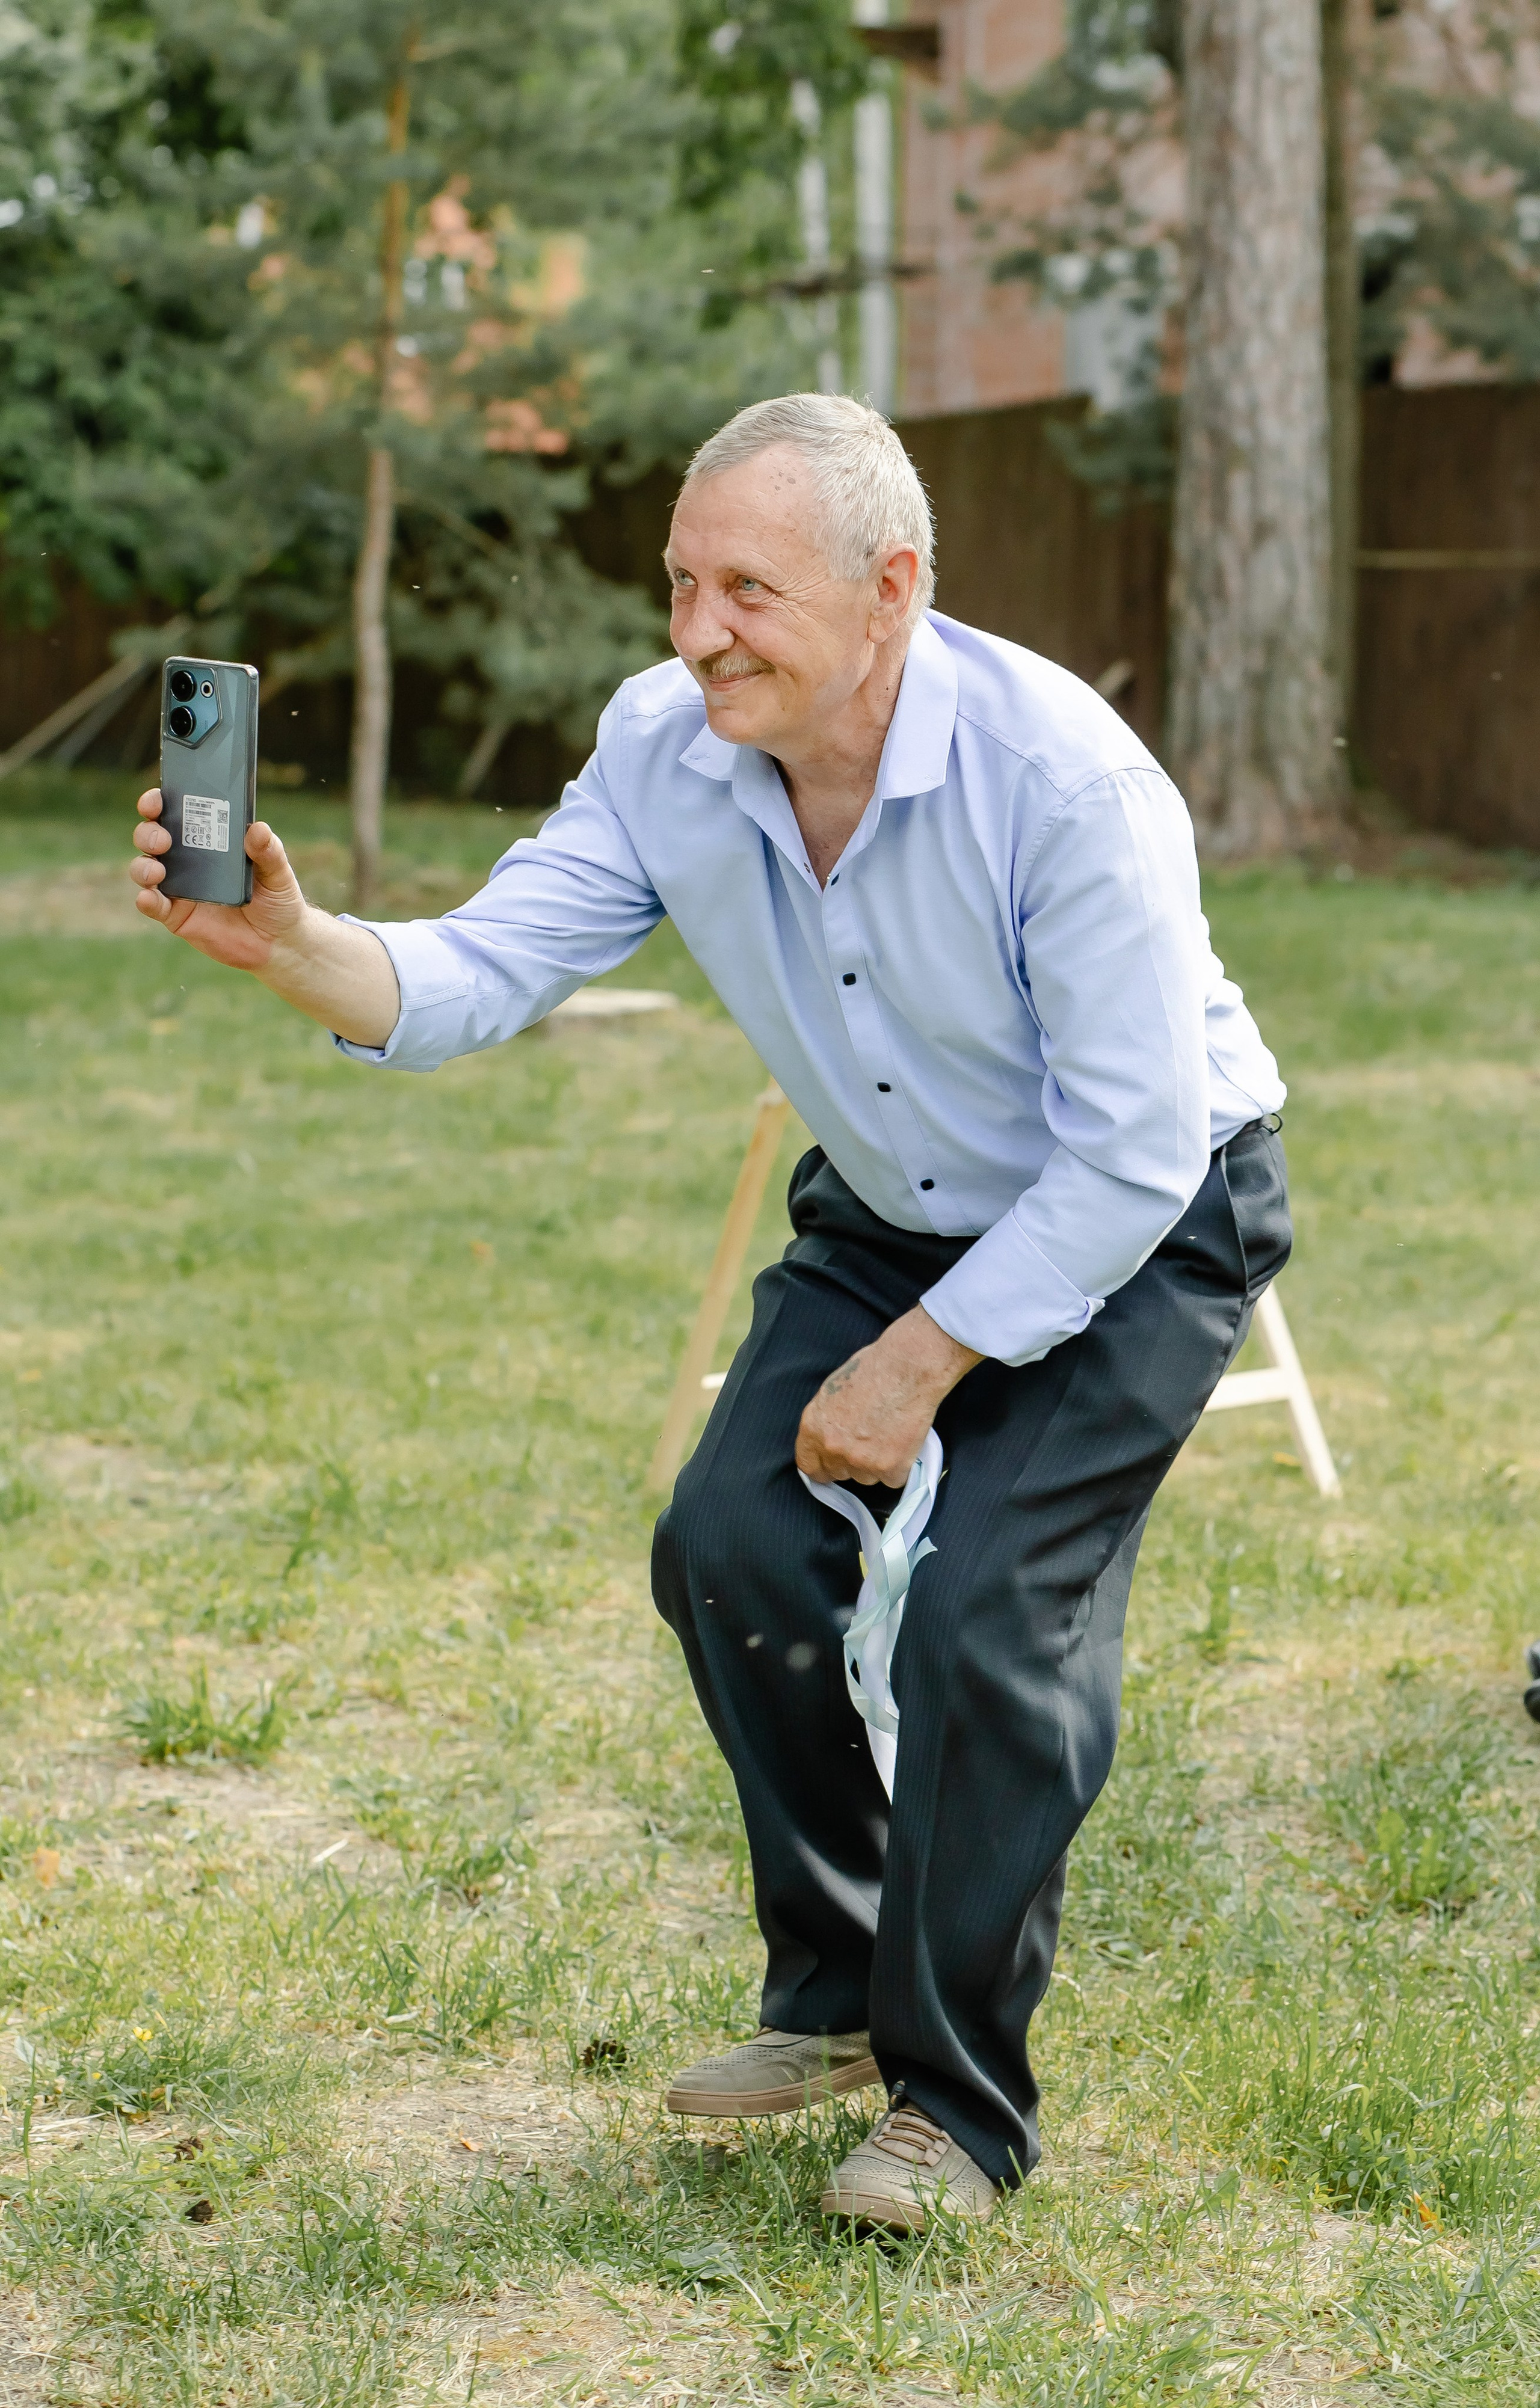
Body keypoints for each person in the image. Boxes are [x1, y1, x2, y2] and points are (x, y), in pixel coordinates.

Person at [130, 392, 1290, 2231]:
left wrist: (924, 1364)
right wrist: (292, 944)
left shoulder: (1065, 781)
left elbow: (1135, 1148)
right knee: (729, 1538)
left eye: (747, 587)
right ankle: (833, 1991)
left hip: (1137, 1215)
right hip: (895, 1204)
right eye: (680, 581)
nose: (695, 632)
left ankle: (957, 2109)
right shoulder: (669, 746)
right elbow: (484, 965)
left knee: (987, 1613)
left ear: (892, 588)